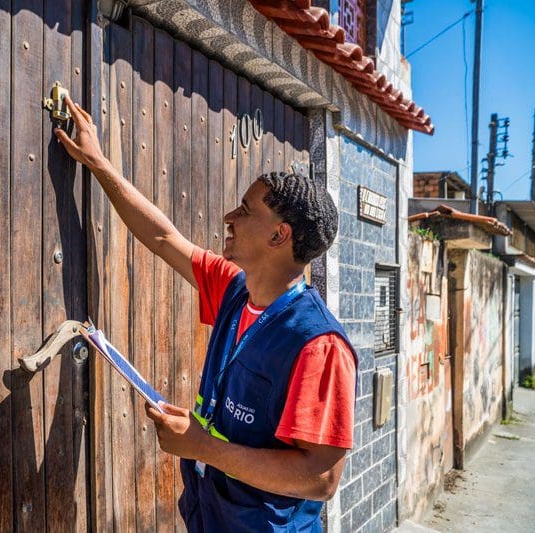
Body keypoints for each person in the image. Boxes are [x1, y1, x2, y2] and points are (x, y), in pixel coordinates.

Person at [55, 95, 357, 532]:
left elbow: (321, 478)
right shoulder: (235, 289)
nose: (228, 217)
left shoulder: (319, 345)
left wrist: (202, 447)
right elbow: (162, 237)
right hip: (211, 515)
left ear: (279, 234)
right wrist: (98, 162)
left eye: (246, 210)